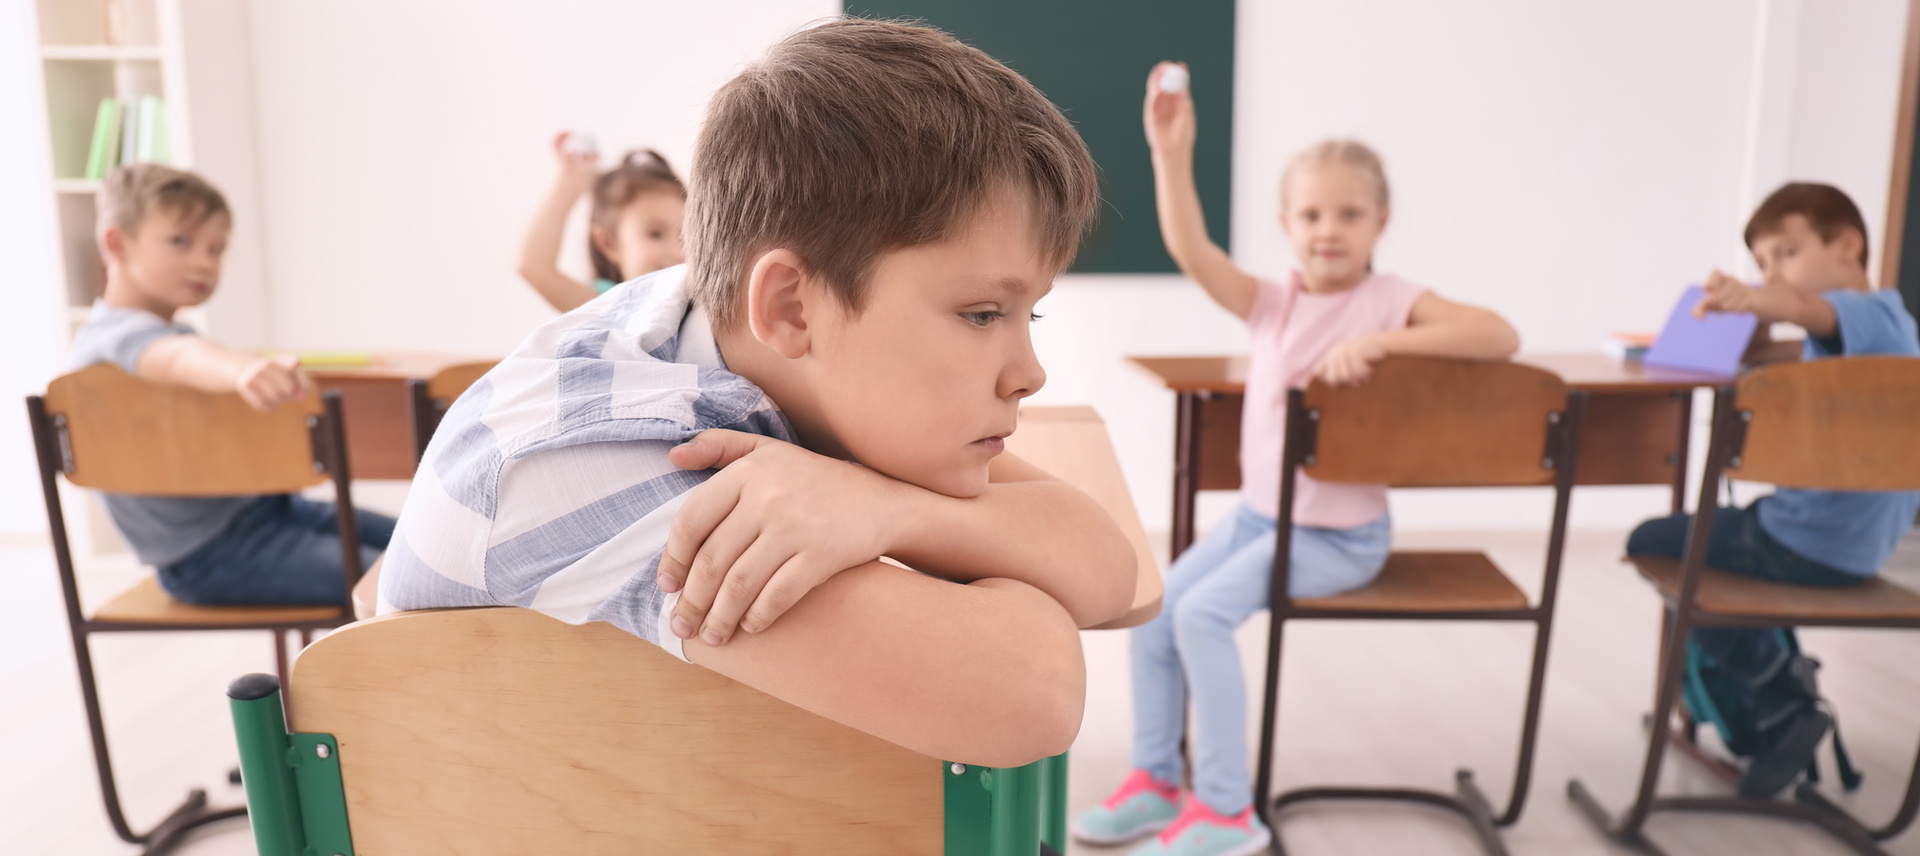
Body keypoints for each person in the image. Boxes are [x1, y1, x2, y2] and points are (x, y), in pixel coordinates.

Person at [379, 19, 1138, 768]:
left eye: (1026, 312)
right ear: (789, 306)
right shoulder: (627, 458)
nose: (1029, 372)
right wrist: (915, 519)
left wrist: (888, 508)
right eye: (982, 314)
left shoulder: (722, 323)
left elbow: (1106, 567)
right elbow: (1035, 690)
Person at [1070, 63, 1521, 856]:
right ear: (1286, 224)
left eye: (1350, 213)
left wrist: (1381, 341)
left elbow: (1498, 334)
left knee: (1204, 617)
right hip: (1257, 520)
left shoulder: (1389, 301)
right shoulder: (1271, 303)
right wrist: (1172, 156)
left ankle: (1227, 810)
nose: (1329, 229)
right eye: (1312, 213)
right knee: (1156, 613)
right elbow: (1191, 247)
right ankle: (1155, 782)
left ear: (1382, 221)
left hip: (1338, 539)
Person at [1626, 182, 1920, 799]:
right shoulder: (1893, 334)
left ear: (1849, 246)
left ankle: (1780, 696)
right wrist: (1757, 319)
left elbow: (1800, 306)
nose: (1773, 271)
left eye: (1787, 251)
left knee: (1658, 541)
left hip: (1801, 543)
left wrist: (1758, 297)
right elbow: (1801, 324)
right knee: (1720, 531)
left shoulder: (1862, 312)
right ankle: (1777, 693)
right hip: (1860, 549)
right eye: (1761, 262)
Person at [67, 163, 395, 605]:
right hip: (206, 555)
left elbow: (181, 354)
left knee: (413, 547)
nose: (204, 261)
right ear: (116, 243)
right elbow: (177, 358)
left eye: (216, 249)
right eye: (181, 242)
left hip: (264, 514)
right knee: (400, 584)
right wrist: (240, 371)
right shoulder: (113, 339)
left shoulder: (168, 334)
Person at [517, 137, 686, 312]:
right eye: (655, 234)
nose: (678, 252)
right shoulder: (608, 307)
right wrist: (571, 182)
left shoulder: (699, 303)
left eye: (685, 237)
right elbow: (535, 268)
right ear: (609, 243)